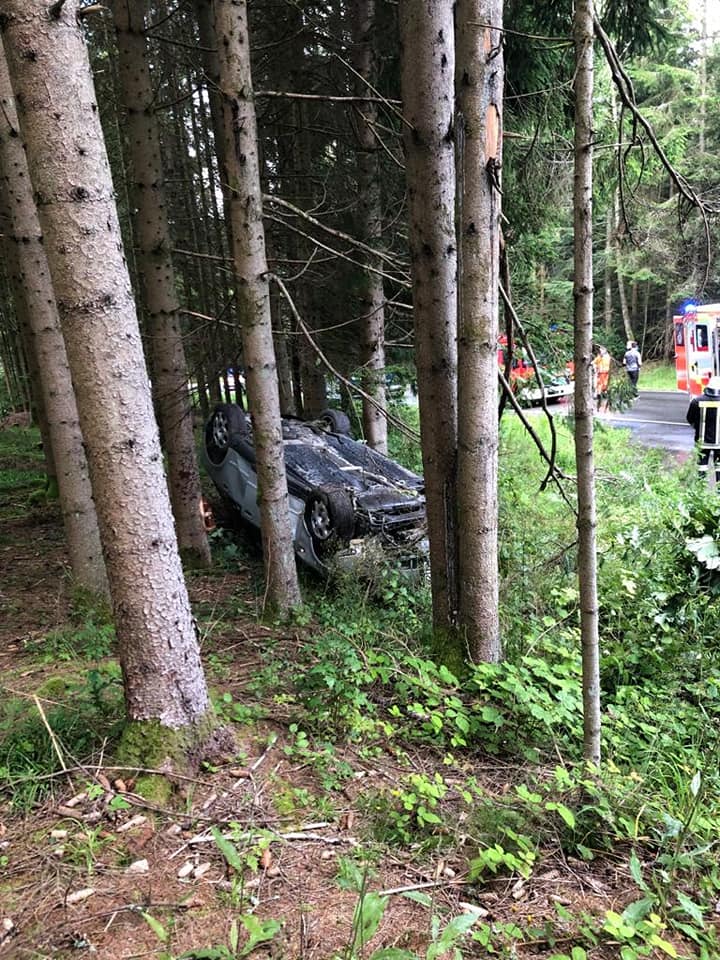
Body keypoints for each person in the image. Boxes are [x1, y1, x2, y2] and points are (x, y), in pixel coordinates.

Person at [686, 376, 720, 483]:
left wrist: (697, 427)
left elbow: (689, 419)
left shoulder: (696, 401)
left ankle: (700, 490)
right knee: (719, 465)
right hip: (719, 442)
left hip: (701, 441)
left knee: (701, 465)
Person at [593, 346, 611, 413]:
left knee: (604, 384)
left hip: (605, 373)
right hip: (600, 373)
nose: (600, 352)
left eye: (601, 351)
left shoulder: (606, 357)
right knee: (599, 384)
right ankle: (599, 394)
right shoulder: (600, 357)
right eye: (600, 351)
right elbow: (594, 362)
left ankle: (603, 393)